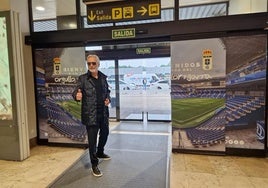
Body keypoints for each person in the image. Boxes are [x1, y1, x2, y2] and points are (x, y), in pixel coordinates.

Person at [72, 54, 111, 177]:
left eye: (93, 63)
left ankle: (100, 152)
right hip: (91, 115)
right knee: (92, 142)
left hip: (103, 114)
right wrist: (76, 96)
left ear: (98, 64)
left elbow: (107, 92)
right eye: (89, 63)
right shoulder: (83, 79)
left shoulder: (103, 78)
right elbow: (75, 91)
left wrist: (108, 99)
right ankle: (94, 165)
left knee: (105, 134)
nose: (91, 65)